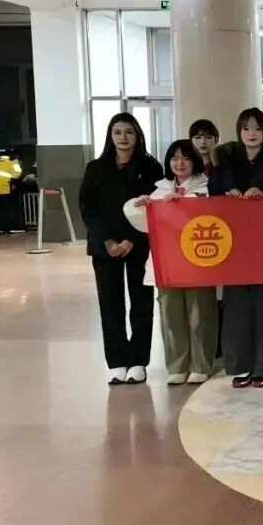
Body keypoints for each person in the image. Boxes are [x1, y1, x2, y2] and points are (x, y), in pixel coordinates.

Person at [210, 108, 263, 388]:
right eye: (246, 128)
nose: (252, 133)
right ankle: (241, 365)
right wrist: (226, 195)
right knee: (237, 307)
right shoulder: (225, 158)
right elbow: (213, 194)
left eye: (257, 128)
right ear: (239, 131)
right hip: (235, 243)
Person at [124, 140, 217, 385]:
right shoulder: (159, 190)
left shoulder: (206, 187)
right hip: (168, 262)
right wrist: (142, 205)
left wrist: (185, 204)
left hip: (198, 261)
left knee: (200, 314)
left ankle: (200, 364)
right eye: (175, 158)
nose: (180, 163)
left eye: (185, 158)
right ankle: (177, 365)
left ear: (194, 161)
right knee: (171, 314)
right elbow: (144, 224)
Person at [79, 113, 163, 385]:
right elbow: (87, 208)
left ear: (137, 135)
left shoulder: (150, 167)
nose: (123, 137)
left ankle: (138, 361)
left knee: (141, 303)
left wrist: (130, 239)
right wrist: (107, 241)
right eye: (117, 132)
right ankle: (116, 362)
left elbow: (153, 206)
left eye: (129, 132)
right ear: (110, 136)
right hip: (105, 246)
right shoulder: (96, 168)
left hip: (138, 244)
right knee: (110, 304)